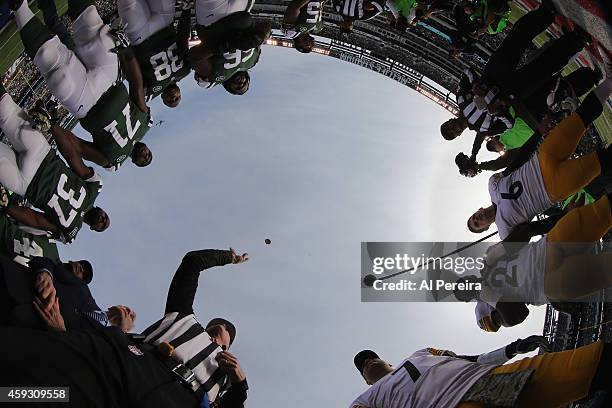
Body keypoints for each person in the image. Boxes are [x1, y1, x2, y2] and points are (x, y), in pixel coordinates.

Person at [0, 247, 251, 408]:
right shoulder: (185, 319)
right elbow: (193, 262)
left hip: (175, 401)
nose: (217, 339)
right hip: (124, 362)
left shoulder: (226, 382)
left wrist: (240, 385)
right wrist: (228, 257)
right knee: (32, 382)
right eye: (213, 331)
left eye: (223, 341)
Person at [467, 72, 612, 239]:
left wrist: (538, 133)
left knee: (580, 118)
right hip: (553, 188)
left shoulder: (492, 184)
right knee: (604, 160)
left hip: (542, 159)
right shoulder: (505, 230)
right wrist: (564, 215)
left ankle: (609, 80)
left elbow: (517, 162)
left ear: (477, 210)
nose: (477, 219)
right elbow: (536, 228)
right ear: (485, 229)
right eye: (477, 224)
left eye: (474, 218)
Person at [12, 0, 153, 172]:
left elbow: (78, 148)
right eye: (149, 155)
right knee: (93, 26)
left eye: (143, 160)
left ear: (134, 162)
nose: (145, 155)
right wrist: (128, 54)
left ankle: (19, 6)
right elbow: (136, 85)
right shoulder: (145, 123)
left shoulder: (113, 161)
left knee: (52, 63)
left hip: (86, 102)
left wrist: (54, 126)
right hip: (109, 80)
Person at [350, 337, 612, 407]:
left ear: (386, 360)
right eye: (363, 367)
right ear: (366, 381)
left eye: (370, 358)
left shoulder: (421, 353)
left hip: (496, 380)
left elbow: (474, 359)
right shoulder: (366, 401)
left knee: (599, 362)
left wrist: (514, 347)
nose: (368, 363)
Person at [0, 87, 108, 244]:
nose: (103, 220)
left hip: (26, 185)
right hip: (43, 156)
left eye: (102, 226)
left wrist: (8, 208)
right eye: (106, 218)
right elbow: (72, 156)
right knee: (5, 110)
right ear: (103, 209)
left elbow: (38, 220)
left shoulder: (69, 233)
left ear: (92, 228)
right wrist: (52, 127)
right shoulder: (94, 187)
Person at [0, 255, 135, 332]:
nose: (129, 311)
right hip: (10, 279)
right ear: (114, 306)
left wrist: (61, 334)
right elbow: (49, 263)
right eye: (128, 308)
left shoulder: (99, 346)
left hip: (14, 325)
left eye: (132, 317)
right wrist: (45, 273)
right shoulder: (83, 289)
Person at [117, 0, 192, 104]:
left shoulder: (150, 90)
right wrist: (186, 11)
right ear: (180, 93)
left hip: (140, 36)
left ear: (163, 98)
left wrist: (123, 52)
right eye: (177, 98)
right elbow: (183, 39)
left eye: (170, 101)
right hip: (164, 23)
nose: (173, 97)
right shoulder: (185, 70)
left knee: (128, 4)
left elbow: (132, 76)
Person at [190, 12, 270, 94]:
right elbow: (266, 27)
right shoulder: (253, 61)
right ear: (247, 78)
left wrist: (228, 45)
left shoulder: (215, 77)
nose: (241, 84)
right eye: (245, 84)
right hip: (241, 10)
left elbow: (195, 56)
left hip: (212, 18)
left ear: (227, 86)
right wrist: (259, 37)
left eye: (238, 88)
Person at [331, 0, 399, 34]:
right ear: (352, 27)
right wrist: (371, 3)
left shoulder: (338, 10)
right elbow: (379, 9)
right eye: (348, 29)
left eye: (344, 28)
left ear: (341, 25)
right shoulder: (362, 16)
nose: (347, 27)